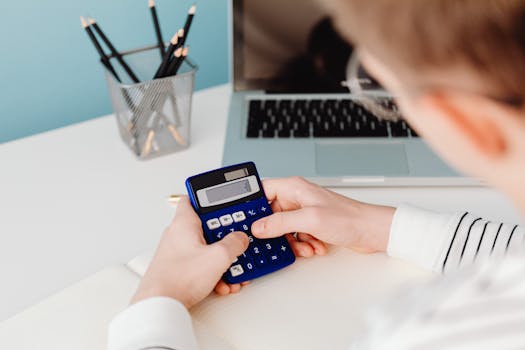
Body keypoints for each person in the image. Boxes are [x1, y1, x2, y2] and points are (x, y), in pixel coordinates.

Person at [108, 1, 525, 349]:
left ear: (463, 123)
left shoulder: (432, 331)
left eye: (388, 93)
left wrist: (154, 301)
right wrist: (376, 225)